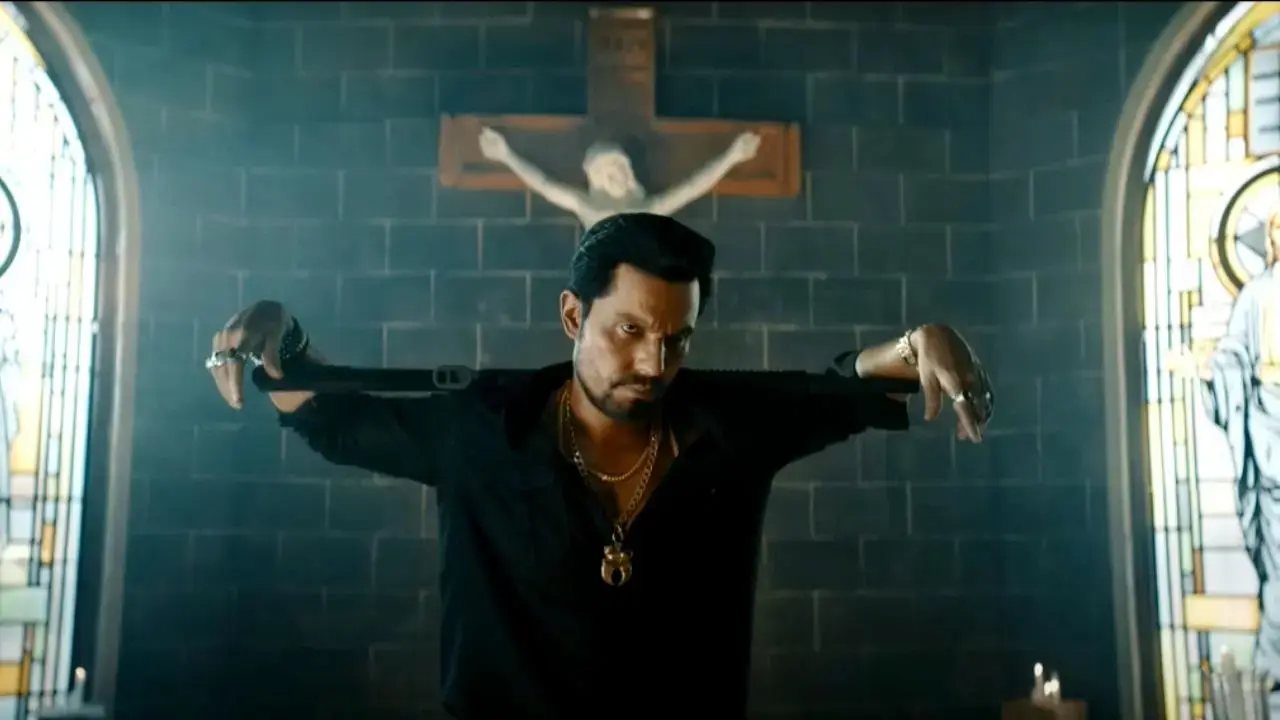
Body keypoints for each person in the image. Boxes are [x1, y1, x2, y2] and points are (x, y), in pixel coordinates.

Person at [204, 214, 994, 719]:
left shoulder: (730, 428)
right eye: (629, 331)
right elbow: (326, 413)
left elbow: (842, 388)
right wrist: (279, 329)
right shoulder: (479, 428)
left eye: (677, 339)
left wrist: (918, 341)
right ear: (572, 314)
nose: (655, 363)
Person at [1169, 210, 1280, 683]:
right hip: (1271, 444)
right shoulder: (1257, 295)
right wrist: (1211, 368)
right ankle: (1275, 672)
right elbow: (1233, 358)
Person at [477, 126, 761, 229]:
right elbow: (544, 184)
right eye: (612, 170)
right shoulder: (587, 205)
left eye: (623, 167)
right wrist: (506, 155)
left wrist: (732, 157)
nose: (621, 175)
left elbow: (691, 188)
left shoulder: (647, 209)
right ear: (598, 176)